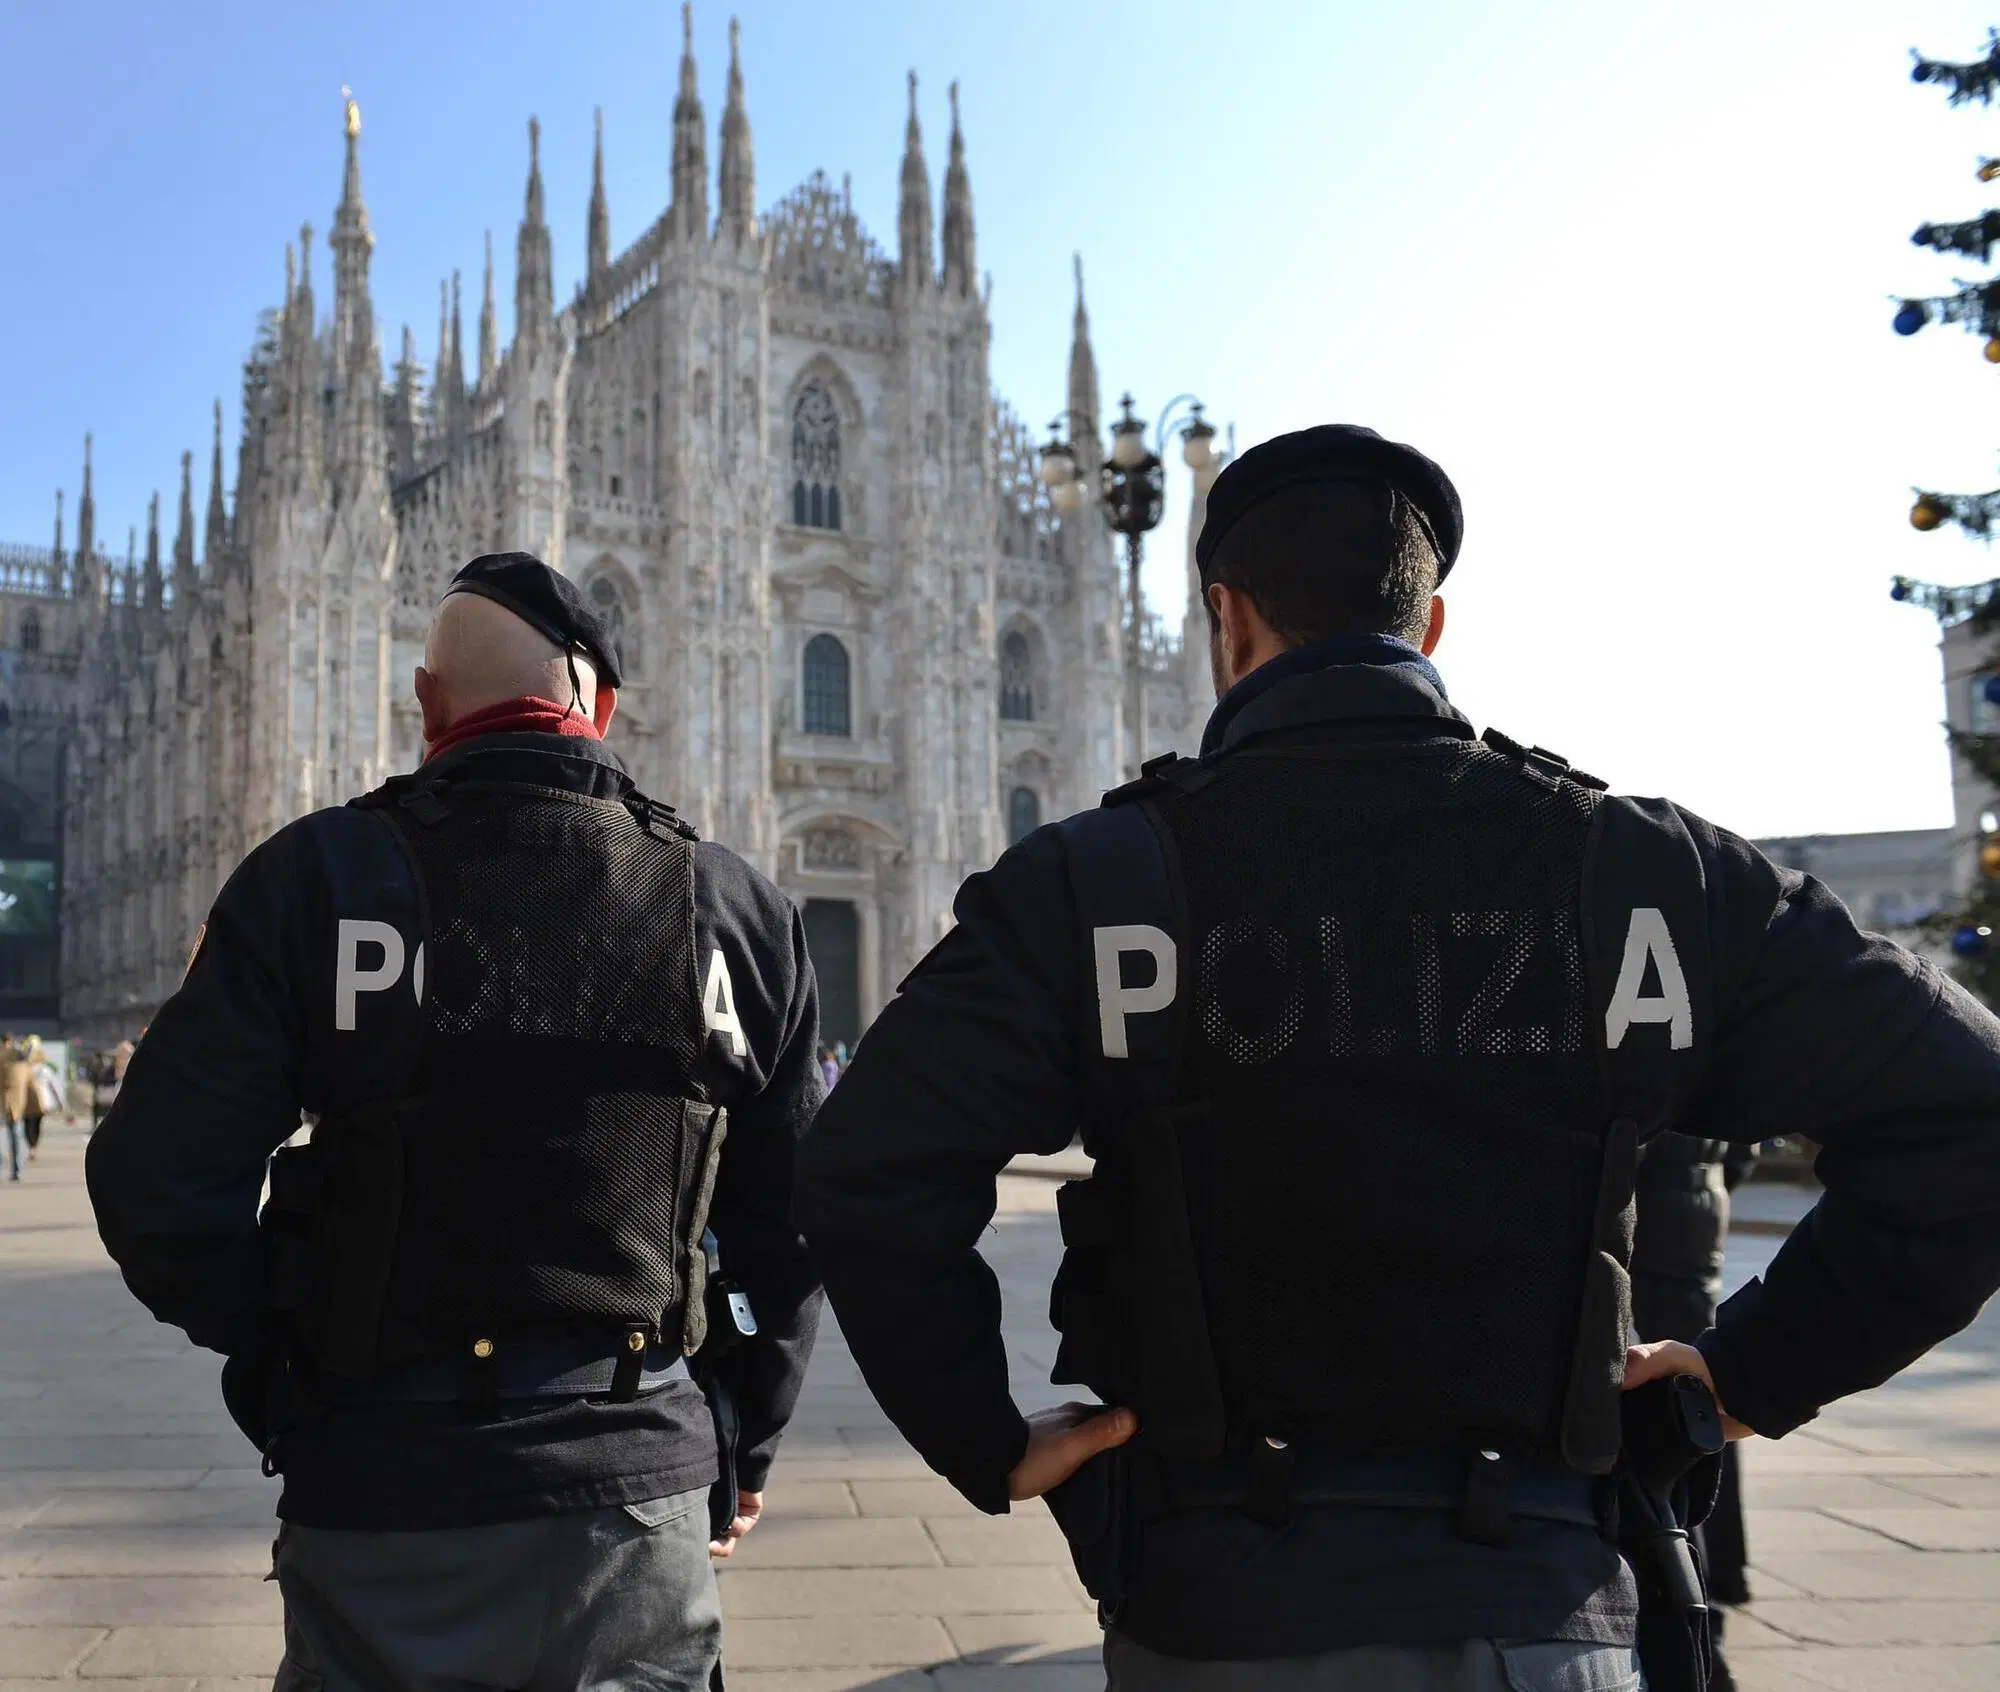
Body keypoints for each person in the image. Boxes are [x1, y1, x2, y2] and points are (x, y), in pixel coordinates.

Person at [797, 424, 2000, 1691]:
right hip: (1545, 1603)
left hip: (1215, 1606)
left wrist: (977, 1436)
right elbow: (1969, 1118)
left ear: (1226, 621)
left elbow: (865, 1171)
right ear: (1428, 628)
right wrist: (1757, 1367)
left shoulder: (1094, 881)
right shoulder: (1635, 871)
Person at [89, 552, 825, 1692]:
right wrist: (740, 1430)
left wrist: (302, 1355)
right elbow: (791, 1232)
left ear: (426, 707)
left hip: (384, 1488)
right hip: (637, 1496)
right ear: (603, 707)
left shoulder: (318, 878)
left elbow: (153, 1185)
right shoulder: (735, 909)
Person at [1633, 1132, 1759, 1692]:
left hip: (1639, 1217)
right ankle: (1713, 1592)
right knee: (1700, 1413)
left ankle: (1694, 1627)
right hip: (1693, 1213)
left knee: (1663, 1424)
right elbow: (1744, 1140)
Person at [0, 1034, 25, 1181]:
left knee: (15, 1135)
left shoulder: (15, 1058)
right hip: (5, 1103)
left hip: (12, 1105)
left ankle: (17, 1168)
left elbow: (24, 1054)